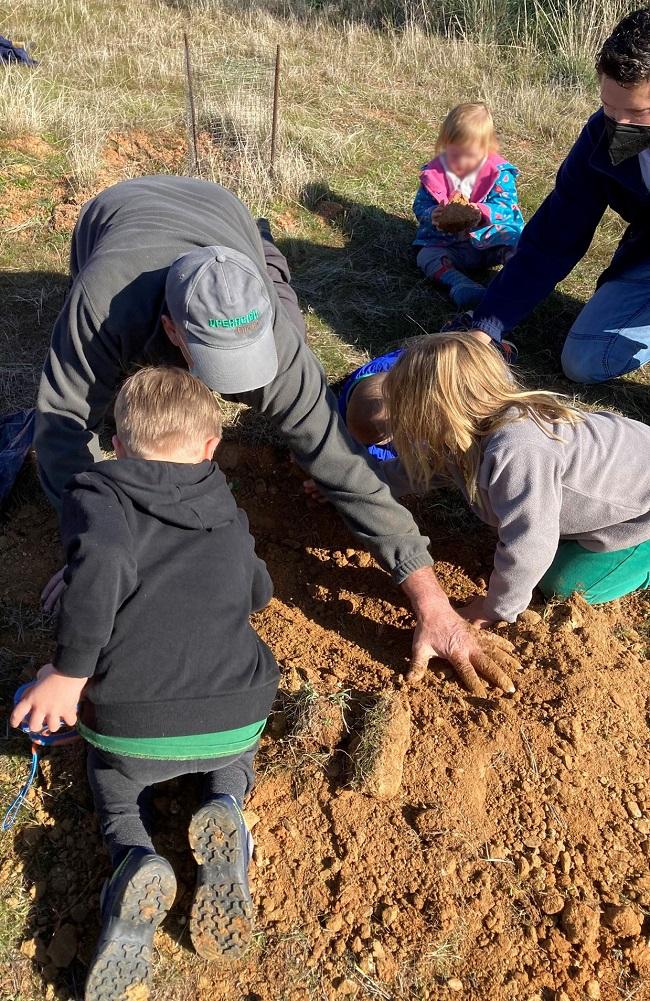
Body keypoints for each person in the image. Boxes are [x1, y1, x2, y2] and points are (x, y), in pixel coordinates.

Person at [35, 174, 517, 695]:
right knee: (106, 406)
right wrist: (90, 549)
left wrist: (433, 603)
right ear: (174, 330)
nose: (239, 392)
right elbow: (63, 429)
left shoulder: (280, 338)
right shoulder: (102, 301)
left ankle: (265, 250)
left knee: (285, 339)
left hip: (222, 209)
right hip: (118, 213)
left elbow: (344, 468)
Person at [13, 367, 280, 998]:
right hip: (237, 709)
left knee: (113, 783)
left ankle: (134, 856)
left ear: (118, 443)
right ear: (210, 447)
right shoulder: (226, 508)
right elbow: (259, 590)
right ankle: (225, 809)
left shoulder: (96, 495)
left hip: (135, 724)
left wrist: (68, 673)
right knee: (233, 759)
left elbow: (102, 561)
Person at [377, 332, 650, 625]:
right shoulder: (469, 430)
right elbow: (421, 468)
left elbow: (531, 542)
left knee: (562, 582)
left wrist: (495, 610)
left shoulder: (518, 450)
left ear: (438, 412)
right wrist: (356, 486)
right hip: (627, 468)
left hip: (641, 513)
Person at [470, 8, 650, 383]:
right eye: (609, 107)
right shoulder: (601, 137)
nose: (620, 124)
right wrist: (488, 325)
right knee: (584, 361)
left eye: (637, 112)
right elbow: (554, 237)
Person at [412, 102, 524, 310]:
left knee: (518, 244)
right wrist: (431, 214)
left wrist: (481, 211)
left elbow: (507, 208)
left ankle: (515, 284)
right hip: (448, 245)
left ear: (487, 149)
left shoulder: (498, 174)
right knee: (425, 256)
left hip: (490, 243)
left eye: (470, 156)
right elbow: (420, 205)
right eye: (454, 155)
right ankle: (460, 284)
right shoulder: (434, 173)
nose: (461, 162)